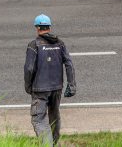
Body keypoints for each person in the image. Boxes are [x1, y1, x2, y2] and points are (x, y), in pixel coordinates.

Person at [24, 14, 76, 146]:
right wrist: (71, 85)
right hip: (57, 88)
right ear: (49, 27)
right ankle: (53, 142)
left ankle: (47, 145)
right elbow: (69, 64)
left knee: (39, 119)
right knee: (54, 115)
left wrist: (28, 86)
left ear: (37, 28)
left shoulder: (34, 45)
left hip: (40, 89)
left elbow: (29, 68)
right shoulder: (60, 43)